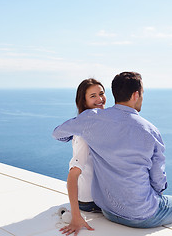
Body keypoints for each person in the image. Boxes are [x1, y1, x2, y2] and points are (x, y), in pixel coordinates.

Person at [53, 72, 172, 229]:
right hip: (141, 214)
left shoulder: (91, 119)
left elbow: (58, 133)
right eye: (142, 94)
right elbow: (158, 181)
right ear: (136, 94)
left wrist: (82, 130)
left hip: (108, 210)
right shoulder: (150, 131)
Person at [60, 78, 106, 236]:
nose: (100, 99)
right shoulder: (84, 133)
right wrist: (76, 216)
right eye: (93, 96)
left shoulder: (98, 124)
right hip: (90, 202)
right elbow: (73, 174)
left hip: (97, 198)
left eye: (101, 93)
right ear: (84, 101)